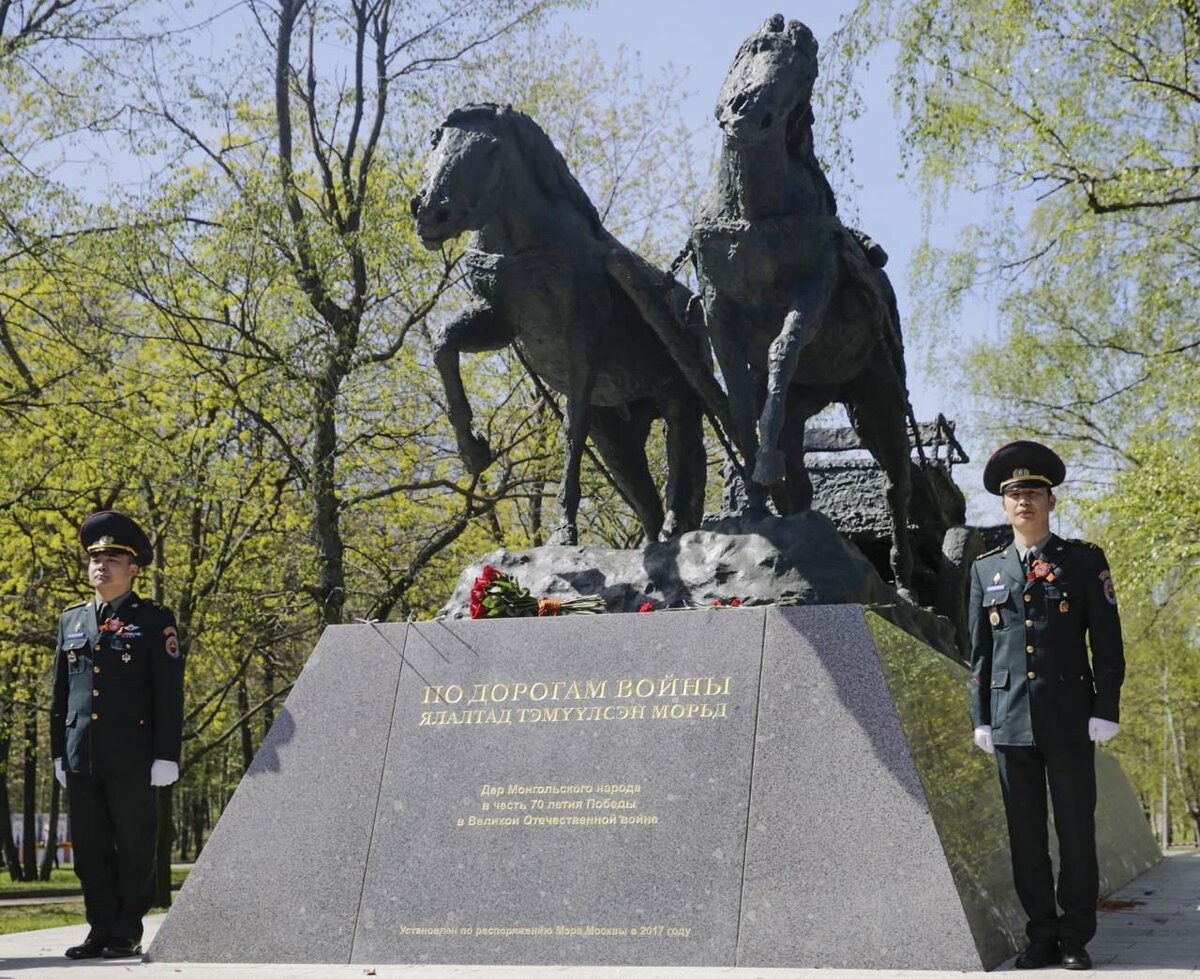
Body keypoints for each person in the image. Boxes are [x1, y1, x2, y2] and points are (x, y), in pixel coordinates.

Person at [969, 441, 1124, 971]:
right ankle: (1041, 936)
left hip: (1070, 720)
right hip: (1010, 722)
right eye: (1014, 494)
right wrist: (980, 718)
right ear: (1003, 504)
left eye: (1033, 492)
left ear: (1050, 501)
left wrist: (1106, 707)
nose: (1024, 501)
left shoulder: (1082, 561)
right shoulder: (985, 570)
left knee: (1076, 831)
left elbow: (1107, 643)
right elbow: (979, 654)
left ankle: (1076, 937)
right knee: (1025, 837)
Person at [49, 510, 185, 960]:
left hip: (132, 755)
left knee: (132, 846)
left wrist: (166, 754)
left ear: (134, 569)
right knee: (89, 852)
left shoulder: (153, 621)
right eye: (95, 558)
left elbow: (168, 694)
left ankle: (127, 929)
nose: (100, 566)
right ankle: (99, 929)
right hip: (81, 755)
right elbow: (61, 694)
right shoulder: (71, 621)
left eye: (112, 558)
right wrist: (56, 753)